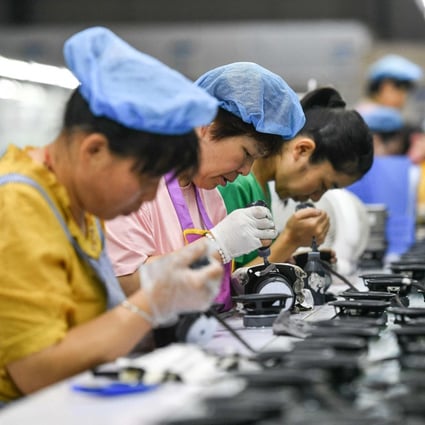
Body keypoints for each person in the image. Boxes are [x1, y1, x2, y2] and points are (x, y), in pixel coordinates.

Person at [0, 26, 226, 403]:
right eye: (146, 177)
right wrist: (150, 303)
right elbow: (36, 369)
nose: (151, 196)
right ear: (94, 150)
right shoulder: (19, 206)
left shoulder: (78, 206)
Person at [105, 62, 306, 310]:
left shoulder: (209, 194)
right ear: (207, 127)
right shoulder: (133, 180)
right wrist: (216, 246)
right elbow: (125, 283)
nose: (246, 171)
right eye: (246, 153)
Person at [218, 87, 374, 269]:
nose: (316, 197)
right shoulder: (235, 182)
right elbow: (222, 288)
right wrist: (290, 240)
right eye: (322, 185)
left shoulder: (261, 188)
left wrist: (290, 255)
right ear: (302, 150)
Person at [356, 54, 423, 113]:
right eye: (398, 87)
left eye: (406, 89)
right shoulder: (371, 117)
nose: (403, 96)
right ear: (380, 88)